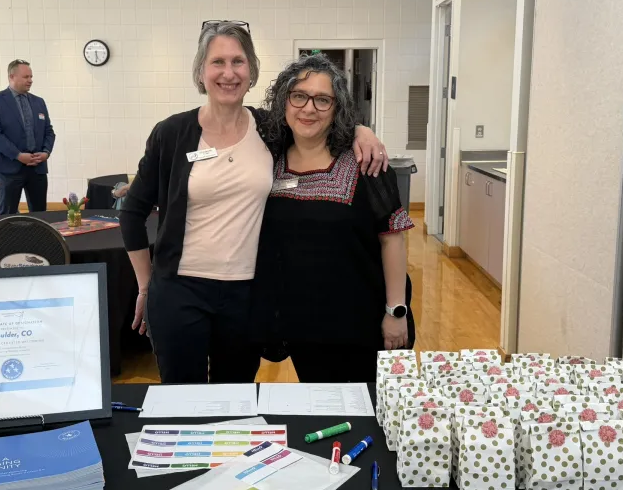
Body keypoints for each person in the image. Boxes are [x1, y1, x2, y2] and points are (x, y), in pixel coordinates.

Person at [120, 21, 388, 384]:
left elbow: (315, 121)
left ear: (252, 71)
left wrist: (361, 129)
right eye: (217, 62)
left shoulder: (270, 130)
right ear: (201, 71)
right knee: (181, 401)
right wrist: (146, 286)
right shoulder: (172, 133)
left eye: (238, 62)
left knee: (236, 401)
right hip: (180, 293)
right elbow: (132, 213)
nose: (228, 73)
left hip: (247, 296)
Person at [251, 53, 415, 383]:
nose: (308, 108)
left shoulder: (365, 163)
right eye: (299, 96)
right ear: (284, 101)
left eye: (322, 100)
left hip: (363, 323)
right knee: (321, 412)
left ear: (337, 108)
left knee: (372, 415)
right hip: (302, 326)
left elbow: (392, 238)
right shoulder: (268, 160)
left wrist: (396, 311)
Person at [0, 59, 56, 215]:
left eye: (31, 77)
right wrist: (17, 155)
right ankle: (5, 240)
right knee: (8, 214)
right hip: (10, 167)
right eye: (26, 77)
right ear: (12, 77)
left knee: (40, 214)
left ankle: (38, 240)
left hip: (37, 167)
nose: (30, 80)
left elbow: (49, 131)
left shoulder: (38, 102)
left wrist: (46, 152)